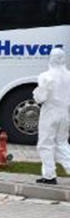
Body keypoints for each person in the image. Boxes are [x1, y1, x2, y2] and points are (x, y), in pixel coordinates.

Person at [33, 48, 70, 185]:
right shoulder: (69, 76)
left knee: (45, 144)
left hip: (50, 113)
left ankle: (49, 176)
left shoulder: (45, 76)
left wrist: (38, 92)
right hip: (64, 113)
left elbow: (40, 98)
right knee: (62, 143)